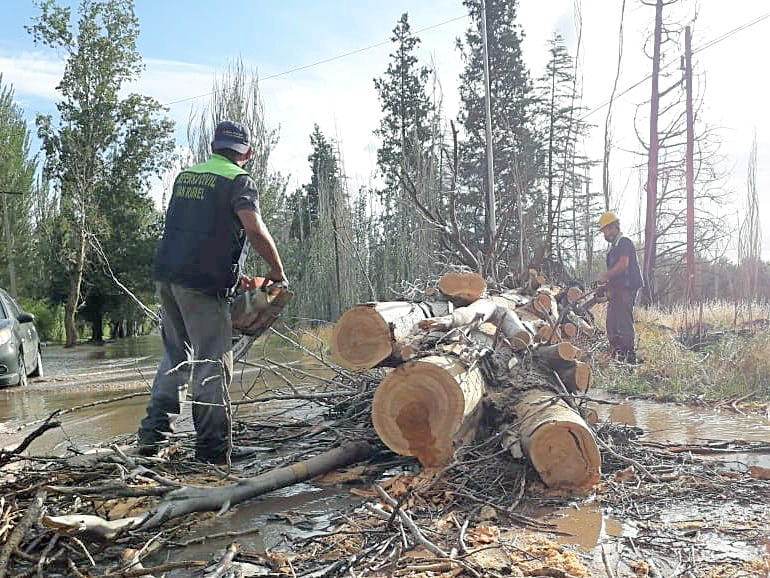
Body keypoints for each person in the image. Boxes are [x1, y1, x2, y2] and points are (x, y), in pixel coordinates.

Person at [138, 120, 287, 463]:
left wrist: (233, 276)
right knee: (212, 363)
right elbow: (253, 228)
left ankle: (151, 440)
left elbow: (195, 234)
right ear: (247, 153)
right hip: (202, 285)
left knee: (175, 357)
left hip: (167, 276)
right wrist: (277, 272)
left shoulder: (186, 177)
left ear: (213, 146)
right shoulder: (239, 180)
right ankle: (212, 451)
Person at [598, 212, 643, 364]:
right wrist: (605, 286)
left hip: (627, 288)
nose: (604, 234)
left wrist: (606, 275)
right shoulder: (613, 248)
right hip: (617, 289)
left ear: (613, 227)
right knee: (611, 323)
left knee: (623, 322)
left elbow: (623, 264)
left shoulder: (624, 242)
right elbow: (615, 274)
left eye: (605, 230)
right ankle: (618, 354)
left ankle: (629, 357)